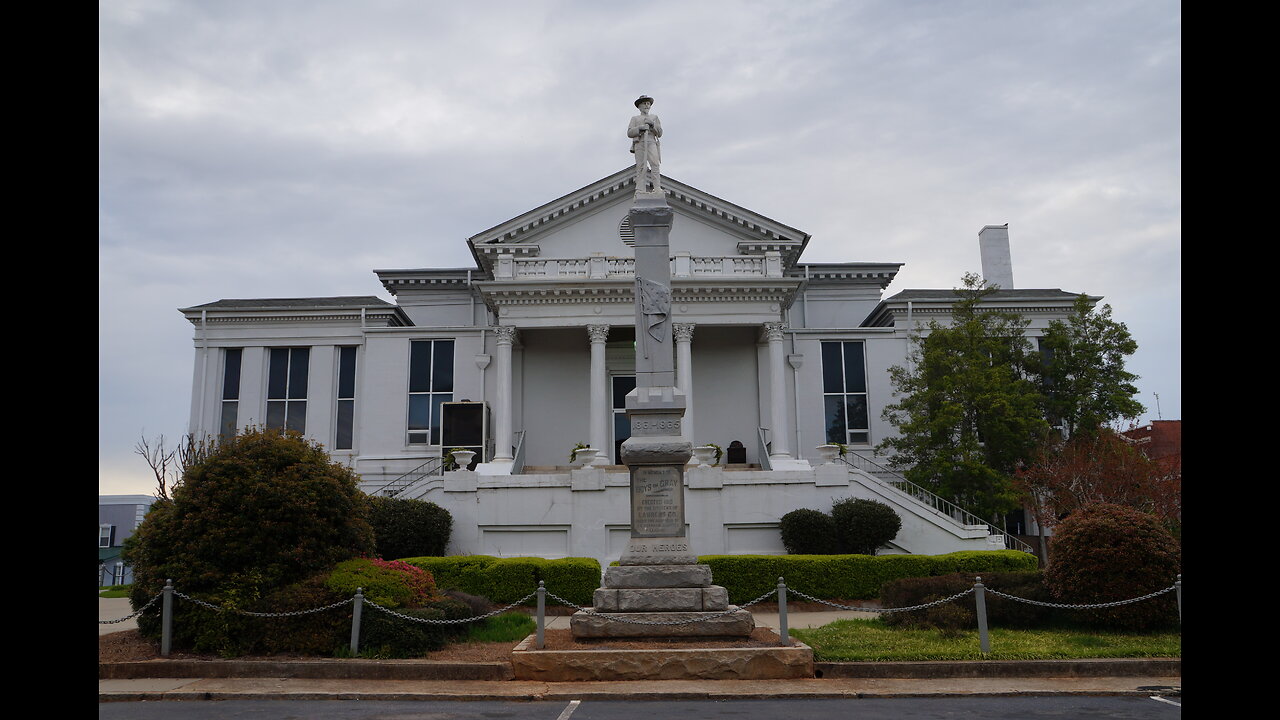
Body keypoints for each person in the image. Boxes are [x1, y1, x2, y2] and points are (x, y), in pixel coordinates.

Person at [627, 95, 662, 192]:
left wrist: (652, 125)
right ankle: (640, 188)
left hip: (651, 141)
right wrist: (640, 128)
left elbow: (660, 132)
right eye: (644, 103)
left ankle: (657, 187)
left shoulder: (654, 117)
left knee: (655, 164)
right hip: (639, 142)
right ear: (639, 106)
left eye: (648, 104)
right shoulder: (635, 118)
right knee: (641, 166)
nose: (647, 106)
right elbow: (629, 132)